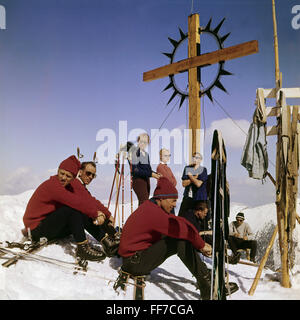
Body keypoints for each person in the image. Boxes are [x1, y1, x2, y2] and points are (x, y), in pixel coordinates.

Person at [116, 177, 237, 300]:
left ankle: (203, 274)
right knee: (180, 238)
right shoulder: (153, 213)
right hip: (134, 262)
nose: (175, 204)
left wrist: (198, 241)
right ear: (162, 198)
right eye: (173, 200)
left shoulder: (152, 206)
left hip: (135, 258)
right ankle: (207, 286)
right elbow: (181, 230)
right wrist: (201, 245)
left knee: (179, 235)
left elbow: (179, 221)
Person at [23, 155, 111, 262]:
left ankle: (105, 241)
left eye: (68, 176)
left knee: (79, 211)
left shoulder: (68, 187)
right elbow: (76, 203)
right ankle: (82, 248)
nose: (64, 178)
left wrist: (104, 214)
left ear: (73, 178)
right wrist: (96, 214)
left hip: (48, 226)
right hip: (36, 229)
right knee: (71, 210)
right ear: (58, 171)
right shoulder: (53, 185)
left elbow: (85, 201)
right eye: (61, 173)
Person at [72, 161, 120, 257]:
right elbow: (87, 203)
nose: (90, 177)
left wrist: (107, 214)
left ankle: (112, 238)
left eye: (93, 175)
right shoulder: (75, 184)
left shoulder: (81, 185)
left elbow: (92, 200)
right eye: (88, 173)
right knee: (86, 212)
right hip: (69, 220)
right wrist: (99, 214)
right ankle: (109, 240)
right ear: (80, 172)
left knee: (97, 212)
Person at [128, 133, 161, 206]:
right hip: (138, 181)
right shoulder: (134, 152)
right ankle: (141, 217)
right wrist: (151, 174)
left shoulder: (146, 154)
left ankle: (140, 217)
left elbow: (148, 170)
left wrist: (155, 174)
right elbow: (135, 170)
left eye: (145, 142)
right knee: (144, 203)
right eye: (141, 141)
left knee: (143, 203)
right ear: (138, 141)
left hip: (146, 181)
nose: (143, 143)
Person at [178, 152, 208, 217]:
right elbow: (184, 184)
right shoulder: (187, 168)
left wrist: (190, 176)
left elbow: (198, 184)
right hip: (187, 197)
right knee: (182, 216)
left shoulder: (203, 169)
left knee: (198, 218)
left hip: (199, 199)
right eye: (193, 157)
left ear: (200, 160)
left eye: (197, 158)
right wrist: (194, 178)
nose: (194, 159)